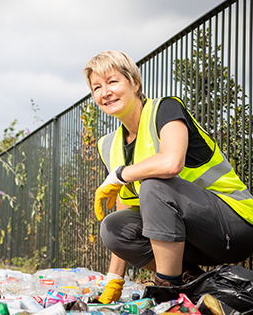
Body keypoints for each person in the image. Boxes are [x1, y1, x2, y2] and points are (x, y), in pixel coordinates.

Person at [83, 51, 253, 303]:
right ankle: (189, 280)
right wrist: (114, 278)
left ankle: (168, 291)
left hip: (234, 225)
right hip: (193, 241)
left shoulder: (165, 109)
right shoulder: (108, 145)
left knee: (154, 186)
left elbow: (171, 162)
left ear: (135, 84)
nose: (104, 92)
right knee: (113, 226)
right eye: (96, 87)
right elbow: (127, 204)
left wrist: (119, 175)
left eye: (112, 82)